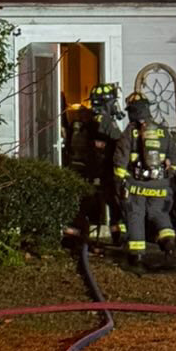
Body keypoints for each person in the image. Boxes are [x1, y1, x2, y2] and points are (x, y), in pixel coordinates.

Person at [113, 92, 176, 272]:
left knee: (135, 216)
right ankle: (169, 247)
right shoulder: (162, 130)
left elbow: (120, 159)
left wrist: (119, 182)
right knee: (159, 214)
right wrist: (169, 172)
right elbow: (175, 156)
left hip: (137, 185)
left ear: (132, 112)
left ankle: (136, 257)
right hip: (160, 185)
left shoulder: (130, 132)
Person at [61, 83, 125, 246]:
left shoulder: (87, 119)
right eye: (113, 103)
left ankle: (76, 232)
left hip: (86, 169)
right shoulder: (104, 122)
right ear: (107, 103)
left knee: (86, 201)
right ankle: (119, 236)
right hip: (102, 171)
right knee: (113, 202)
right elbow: (117, 145)